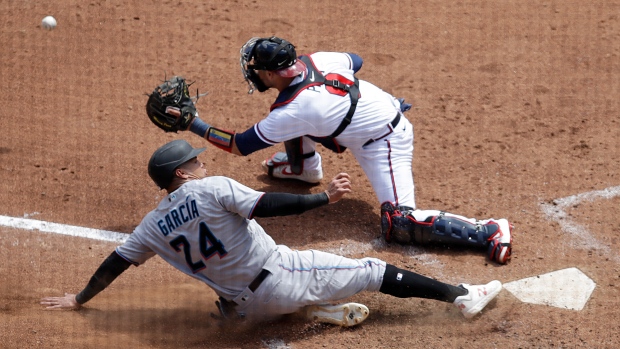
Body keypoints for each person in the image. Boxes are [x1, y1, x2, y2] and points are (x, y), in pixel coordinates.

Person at [41, 139, 502, 327]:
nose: (204, 164)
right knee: (372, 269)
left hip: (243, 309)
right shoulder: (210, 188)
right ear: (181, 174)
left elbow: (115, 263)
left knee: (238, 286)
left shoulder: (149, 227)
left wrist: (80, 299)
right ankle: (461, 295)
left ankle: (313, 308)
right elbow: (269, 205)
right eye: (195, 161)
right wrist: (324, 199)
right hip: (280, 275)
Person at [157, 36, 513, 264]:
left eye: (257, 70)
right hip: (372, 114)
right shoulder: (317, 59)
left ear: (272, 73)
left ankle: (489, 230)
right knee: (300, 121)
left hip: (384, 142)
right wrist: (351, 107)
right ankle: (303, 168)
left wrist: (194, 124)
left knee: (398, 223)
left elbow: (239, 145)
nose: (252, 74)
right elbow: (354, 61)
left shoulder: (294, 110)